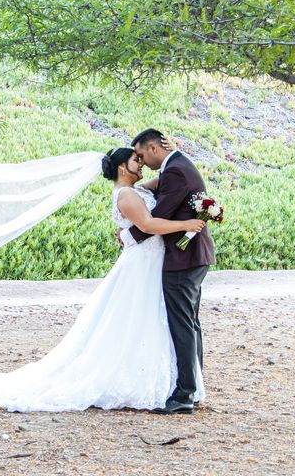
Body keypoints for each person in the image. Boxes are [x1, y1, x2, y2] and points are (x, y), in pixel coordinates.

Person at [0, 145, 206, 412]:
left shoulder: (133, 190)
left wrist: (172, 150)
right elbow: (147, 225)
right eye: (136, 159)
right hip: (142, 265)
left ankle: (173, 381)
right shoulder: (126, 196)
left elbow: (161, 182)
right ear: (123, 167)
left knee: (150, 319)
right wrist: (185, 224)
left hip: (151, 261)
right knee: (137, 318)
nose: (141, 162)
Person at [123, 128, 216, 414]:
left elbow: (158, 216)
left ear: (153, 148)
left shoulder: (175, 169)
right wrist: (139, 187)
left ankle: (185, 393)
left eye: (140, 154)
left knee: (182, 324)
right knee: (190, 322)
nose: (140, 160)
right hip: (191, 255)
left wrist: (128, 237)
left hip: (183, 257)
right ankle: (194, 387)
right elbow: (160, 186)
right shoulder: (176, 165)